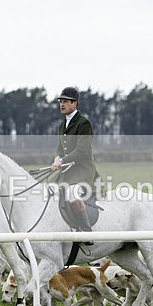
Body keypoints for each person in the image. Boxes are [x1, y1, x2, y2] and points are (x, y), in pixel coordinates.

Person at [50, 86, 99, 232]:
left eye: (66, 101)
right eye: (61, 101)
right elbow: (60, 148)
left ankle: (85, 231)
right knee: (49, 190)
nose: (62, 104)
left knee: (72, 193)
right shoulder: (61, 125)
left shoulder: (83, 123)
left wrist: (62, 161)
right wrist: (56, 159)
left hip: (83, 171)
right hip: (67, 172)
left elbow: (82, 151)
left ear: (75, 104)